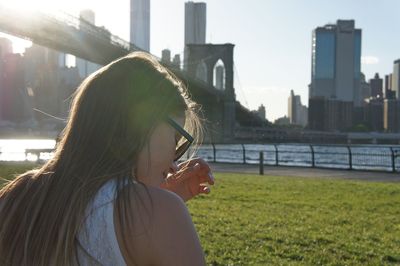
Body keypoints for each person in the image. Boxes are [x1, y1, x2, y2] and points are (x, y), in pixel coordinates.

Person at [0, 52, 215, 265]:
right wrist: (160, 207)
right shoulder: (162, 213)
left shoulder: (13, 198)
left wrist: (152, 198)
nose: (174, 162)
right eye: (176, 139)